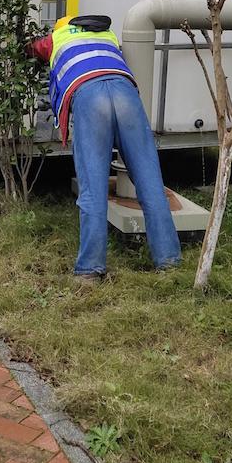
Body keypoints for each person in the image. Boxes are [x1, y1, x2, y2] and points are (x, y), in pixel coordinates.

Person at [27, 15, 182, 280]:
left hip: (89, 96)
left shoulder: (57, 38)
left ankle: (89, 269)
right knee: (150, 183)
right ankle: (168, 262)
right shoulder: (107, 36)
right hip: (126, 95)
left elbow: (32, 48)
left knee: (92, 190)